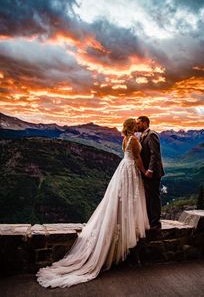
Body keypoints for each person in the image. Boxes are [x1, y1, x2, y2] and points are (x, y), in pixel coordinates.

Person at [36, 118, 150, 288]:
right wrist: (145, 172)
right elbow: (138, 158)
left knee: (120, 203)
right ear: (132, 127)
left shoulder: (125, 138)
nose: (137, 126)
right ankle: (127, 249)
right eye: (135, 124)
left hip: (123, 170)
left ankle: (121, 247)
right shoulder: (133, 139)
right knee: (128, 203)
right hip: (130, 170)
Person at [136, 116, 165, 229]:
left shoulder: (151, 135)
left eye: (138, 123)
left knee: (154, 196)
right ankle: (149, 220)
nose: (137, 125)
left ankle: (155, 222)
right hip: (145, 172)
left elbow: (155, 154)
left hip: (153, 172)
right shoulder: (142, 136)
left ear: (145, 123)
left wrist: (150, 169)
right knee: (148, 196)